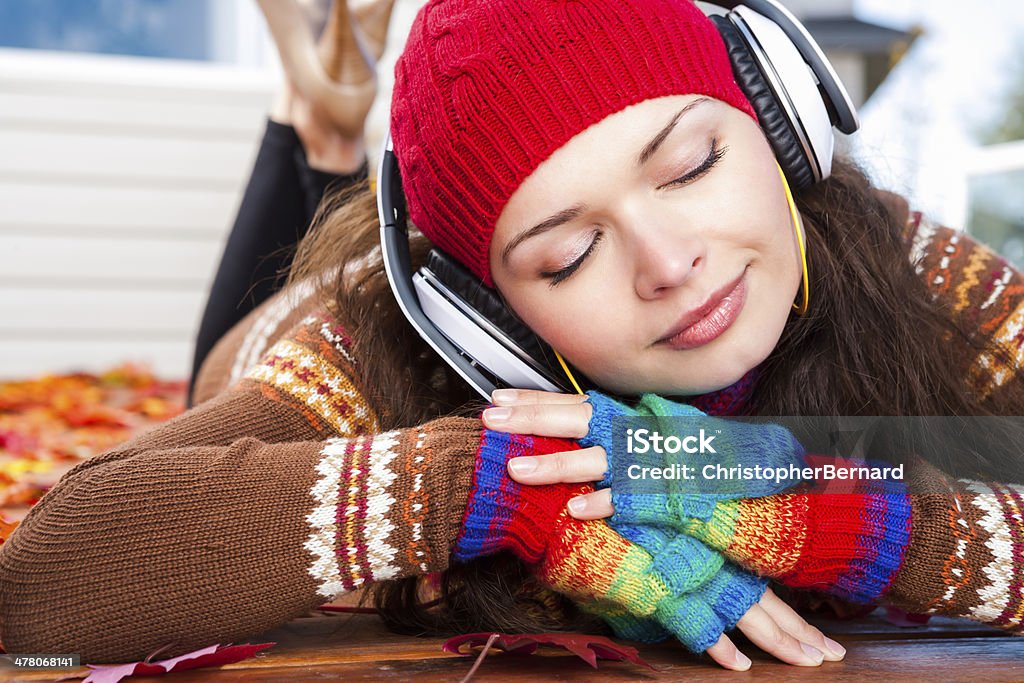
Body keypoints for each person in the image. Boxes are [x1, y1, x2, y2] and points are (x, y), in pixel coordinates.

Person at [2, 0, 1023, 672]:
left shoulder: (896, 255)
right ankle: (313, 134)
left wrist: (861, 526)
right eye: (567, 254)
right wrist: (489, 483)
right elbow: (42, 578)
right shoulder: (375, 345)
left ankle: (323, 128)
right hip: (284, 320)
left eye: (690, 163)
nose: (670, 261)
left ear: (778, 121)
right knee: (213, 368)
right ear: (480, 312)